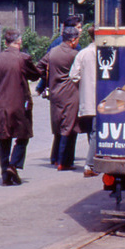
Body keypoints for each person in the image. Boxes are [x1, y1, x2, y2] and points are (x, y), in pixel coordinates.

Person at [0, 29, 41, 186]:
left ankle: (5, 174)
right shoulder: (23, 58)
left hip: (1, 106)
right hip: (20, 105)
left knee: (3, 139)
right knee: (23, 136)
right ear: (19, 42)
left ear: (6, 43)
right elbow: (35, 75)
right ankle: (13, 165)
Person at [37, 14, 83, 164]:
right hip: (70, 92)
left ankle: (55, 157)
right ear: (72, 37)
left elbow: (41, 67)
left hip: (55, 91)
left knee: (58, 125)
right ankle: (63, 161)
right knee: (69, 126)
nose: (80, 31)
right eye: (78, 28)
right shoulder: (75, 52)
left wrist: (46, 83)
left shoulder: (54, 49)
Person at [69, 28, 98, 177]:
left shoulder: (83, 53)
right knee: (96, 132)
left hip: (87, 99)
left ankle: (93, 162)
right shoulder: (106, 52)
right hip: (103, 100)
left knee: (91, 131)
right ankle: (90, 165)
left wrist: (83, 84)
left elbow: (73, 75)